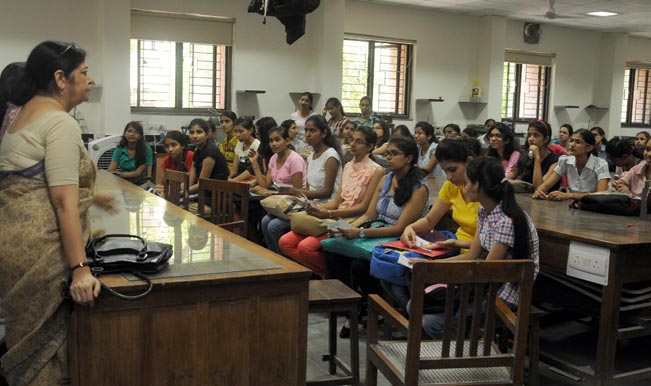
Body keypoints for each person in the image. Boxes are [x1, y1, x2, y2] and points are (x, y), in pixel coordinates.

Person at [0, 41, 117, 386]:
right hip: (44, 253)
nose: (90, 79)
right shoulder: (58, 123)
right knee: (49, 359)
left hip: (16, 246)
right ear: (60, 78)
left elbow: (32, 182)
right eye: (83, 72)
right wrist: (80, 270)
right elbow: (62, 202)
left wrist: (91, 199)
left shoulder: (21, 115)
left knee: (26, 339)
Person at [414, 156, 539, 338]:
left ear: (477, 185)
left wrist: (438, 273)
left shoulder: (506, 220)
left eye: (467, 183)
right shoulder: (484, 210)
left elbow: (487, 272)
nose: (464, 188)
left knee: (431, 321)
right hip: (486, 282)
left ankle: (463, 354)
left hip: (502, 290)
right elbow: (473, 254)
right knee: (418, 303)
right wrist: (428, 266)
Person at [324, 136, 430, 337]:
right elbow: (368, 215)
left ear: (408, 158)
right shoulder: (385, 179)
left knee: (359, 265)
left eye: (394, 153)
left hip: (400, 240)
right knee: (333, 249)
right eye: (387, 153)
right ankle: (354, 304)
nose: (387, 157)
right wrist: (345, 229)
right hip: (375, 231)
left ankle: (369, 308)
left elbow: (399, 228)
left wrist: (360, 232)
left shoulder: (419, 188)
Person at [278, 125, 384, 278]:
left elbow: (363, 208)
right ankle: (320, 273)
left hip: (353, 219)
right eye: (352, 139)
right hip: (335, 214)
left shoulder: (377, 170)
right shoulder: (348, 165)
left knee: (305, 247)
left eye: (359, 141)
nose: (353, 144)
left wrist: (327, 212)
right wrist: (316, 209)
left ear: (370, 147)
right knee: (285, 242)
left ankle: (329, 278)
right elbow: (336, 201)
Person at [391, 138, 482, 312]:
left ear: (469, 162)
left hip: (471, 254)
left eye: (453, 170)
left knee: (418, 279)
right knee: (397, 269)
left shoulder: (483, 193)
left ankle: (422, 319)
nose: (449, 177)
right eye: (445, 171)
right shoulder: (452, 186)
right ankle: (417, 317)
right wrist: (410, 228)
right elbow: (430, 220)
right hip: (453, 247)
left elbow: (479, 248)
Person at [260, 115, 342, 254]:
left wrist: (294, 191)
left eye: (312, 131)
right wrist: (299, 195)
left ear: (323, 133)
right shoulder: (311, 156)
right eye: (306, 130)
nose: (308, 135)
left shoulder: (331, 156)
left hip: (326, 206)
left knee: (274, 226)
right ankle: (275, 259)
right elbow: (309, 188)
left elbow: (327, 192)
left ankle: (286, 264)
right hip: (311, 204)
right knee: (265, 220)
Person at [533, 129, 610, 200]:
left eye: (577, 142)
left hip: (592, 208)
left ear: (589, 148)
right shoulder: (565, 161)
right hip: (570, 207)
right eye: (571, 141)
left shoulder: (601, 164)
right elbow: (545, 186)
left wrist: (570, 195)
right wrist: (539, 192)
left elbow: (600, 195)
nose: (572, 145)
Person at [248, 126, 306, 195]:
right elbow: (265, 185)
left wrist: (270, 193)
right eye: (271, 141)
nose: (273, 144)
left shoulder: (295, 160)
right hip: (278, 197)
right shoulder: (273, 158)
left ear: (287, 141)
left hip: (294, 200)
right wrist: (254, 163)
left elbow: (298, 192)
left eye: (277, 140)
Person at [187, 118, 229, 195]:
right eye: (192, 132)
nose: (195, 136)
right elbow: (191, 179)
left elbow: (202, 183)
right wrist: (183, 189)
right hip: (203, 193)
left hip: (216, 198)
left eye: (199, 132)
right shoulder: (197, 151)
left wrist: (181, 193)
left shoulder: (211, 151)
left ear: (207, 134)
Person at [515, 120, 560, 189]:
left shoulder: (555, 161)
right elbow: (512, 175)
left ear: (546, 139)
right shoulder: (526, 156)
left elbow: (538, 188)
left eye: (536, 135)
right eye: (529, 135)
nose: (530, 139)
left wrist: (537, 158)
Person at [229, 116, 262, 182]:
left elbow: (251, 170)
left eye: (241, 131)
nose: (237, 134)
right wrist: (227, 178)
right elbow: (234, 170)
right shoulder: (239, 144)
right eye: (236, 131)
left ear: (250, 130)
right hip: (239, 178)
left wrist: (235, 180)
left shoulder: (257, 145)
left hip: (252, 179)